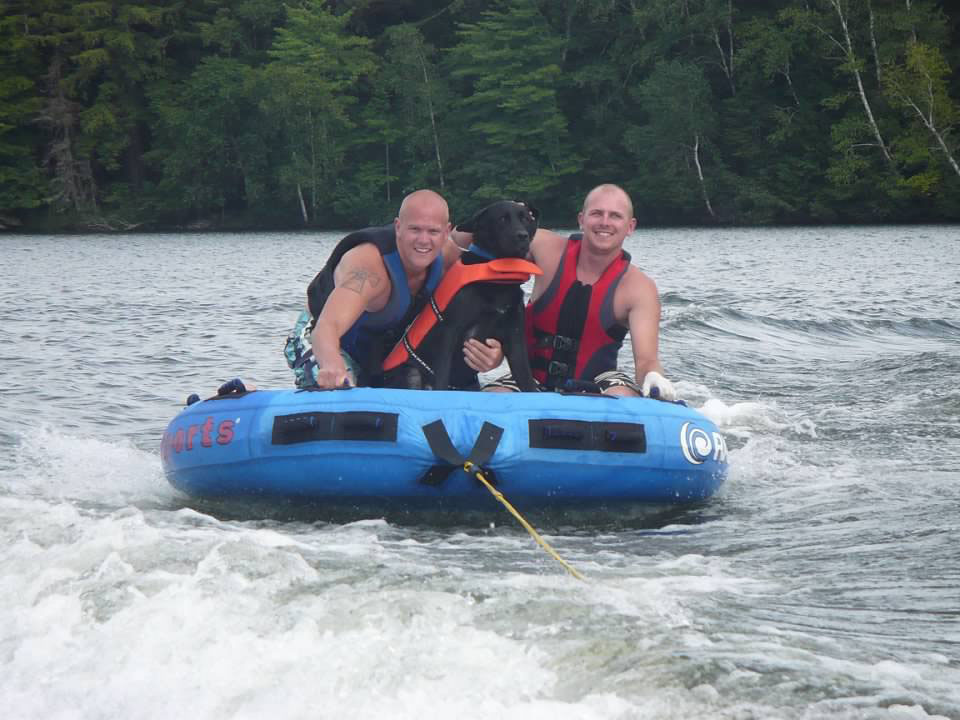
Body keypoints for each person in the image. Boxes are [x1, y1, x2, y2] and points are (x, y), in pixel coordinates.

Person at [453, 184, 677, 400]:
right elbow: (457, 240)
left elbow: (646, 361)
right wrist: (504, 211)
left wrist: (654, 377)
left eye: (615, 216)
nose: (605, 222)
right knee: (495, 398)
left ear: (630, 226)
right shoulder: (543, 246)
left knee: (621, 395)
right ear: (581, 220)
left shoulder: (640, 288)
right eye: (597, 213)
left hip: (599, 382)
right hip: (530, 379)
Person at [284, 189, 502, 389]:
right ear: (398, 227)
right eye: (414, 229)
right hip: (322, 336)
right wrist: (332, 364)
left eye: (433, 232)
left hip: (384, 346)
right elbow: (327, 327)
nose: (423, 241)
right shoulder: (368, 269)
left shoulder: (450, 259)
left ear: (446, 232)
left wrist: (495, 354)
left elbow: (491, 313)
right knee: (340, 384)